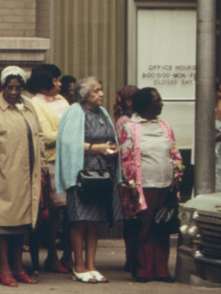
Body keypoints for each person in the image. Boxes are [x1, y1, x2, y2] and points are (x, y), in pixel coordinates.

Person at [0, 66, 42, 287]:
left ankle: (18, 266)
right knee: (4, 224)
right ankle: (4, 268)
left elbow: (38, 137)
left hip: (27, 176)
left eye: (17, 87)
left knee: (22, 224)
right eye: (9, 87)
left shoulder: (29, 106)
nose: (14, 92)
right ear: (2, 87)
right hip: (3, 174)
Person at [55, 76, 123, 284]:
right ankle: (78, 265)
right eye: (96, 91)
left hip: (102, 173)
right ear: (85, 95)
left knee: (95, 221)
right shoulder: (75, 111)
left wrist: (111, 149)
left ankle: (92, 264)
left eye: (101, 90)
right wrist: (97, 148)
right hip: (82, 174)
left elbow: (110, 137)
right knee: (79, 220)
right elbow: (68, 143)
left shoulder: (102, 112)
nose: (101, 94)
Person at [119, 87, 183, 283]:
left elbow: (174, 151)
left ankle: (161, 270)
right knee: (144, 228)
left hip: (165, 185)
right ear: (146, 104)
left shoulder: (164, 126)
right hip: (143, 186)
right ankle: (144, 270)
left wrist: (178, 173)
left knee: (162, 227)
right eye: (157, 100)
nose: (161, 103)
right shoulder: (130, 127)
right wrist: (130, 186)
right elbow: (125, 159)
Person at [26, 64, 70, 275]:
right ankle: (51, 256)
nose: (59, 84)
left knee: (70, 212)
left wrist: (65, 132)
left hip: (68, 161)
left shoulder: (62, 101)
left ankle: (68, 255)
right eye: (55, 80)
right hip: (49, 163)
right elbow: (46, 135)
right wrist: (69, 132)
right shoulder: (35, 103)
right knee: (50, 214)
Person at [113, 84, 139, 273]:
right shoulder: (124, 121)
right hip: (128, 176)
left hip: (131, 174)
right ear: (129, 102)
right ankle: (131, 258)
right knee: (131, 220)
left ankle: (133, 258)